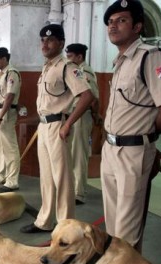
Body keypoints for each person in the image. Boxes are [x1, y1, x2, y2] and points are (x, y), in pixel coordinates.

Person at [101, 0, 161, 252]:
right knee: (112, 223)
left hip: (133, 153)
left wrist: (146, 139)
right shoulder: (121, 61)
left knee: (127, 228)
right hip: (110, 149)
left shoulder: (150, 57)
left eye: (121, 20)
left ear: (137, 26)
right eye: (110, 22)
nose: (113, 26)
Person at [20, 24, 95, 233]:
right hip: (44, 126)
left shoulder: (67, 67)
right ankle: (44, 221)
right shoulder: (47, 67)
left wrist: (68, 123)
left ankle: (65, 226)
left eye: (50, 40)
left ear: (60, 44)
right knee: (46, 176)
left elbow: (87, 95)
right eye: (42, 40)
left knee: (62, 176)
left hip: (58, 126)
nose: (45, 44)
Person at [65, 43, 102, 205]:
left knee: (79, 153)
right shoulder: (74, 71)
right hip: (72, 115)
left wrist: (95, 115)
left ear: (79, 57)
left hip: (81, 116)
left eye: (71, 56)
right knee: (72, 153)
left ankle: (79, 192)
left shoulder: (84, 72)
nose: (68, 60)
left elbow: (93, 97)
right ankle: (73, 188)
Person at [0, 47, 21, 193]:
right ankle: (1, 175)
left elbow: (10, 96)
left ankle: (12, 181)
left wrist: (1, 116)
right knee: (0, 147)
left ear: (4, 59)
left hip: (6, 112)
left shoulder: (11, 73)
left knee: (10, 147)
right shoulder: (3, 75)